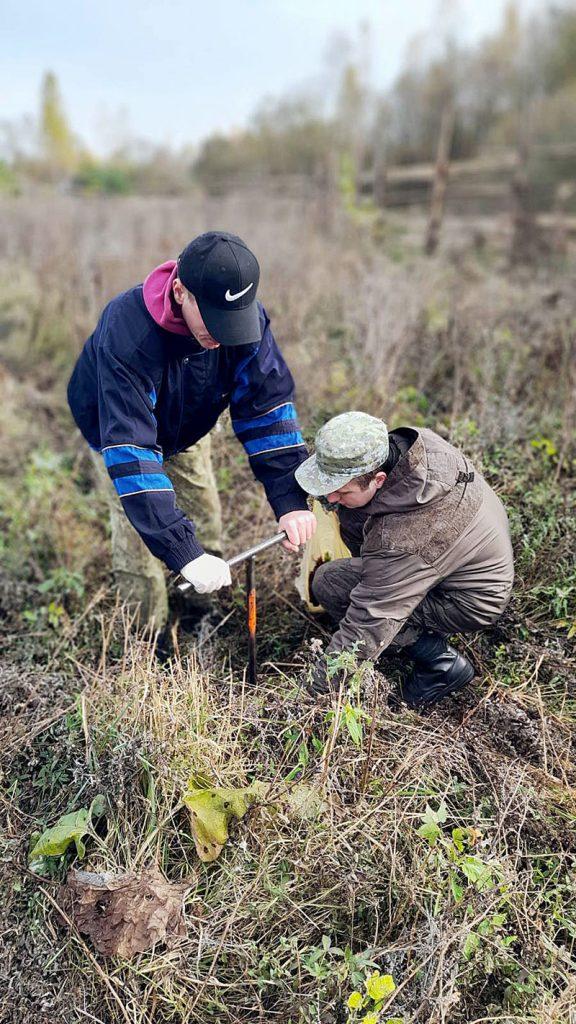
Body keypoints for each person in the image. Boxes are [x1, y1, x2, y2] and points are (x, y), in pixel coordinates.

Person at [67, 231, 316, 629]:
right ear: (181, 291)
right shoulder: (128, 335)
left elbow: (266, 411)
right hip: (114, 424)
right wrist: (181, 550)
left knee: (204, 508)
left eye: (232, 323)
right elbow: (132, 451)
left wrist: (290, 499)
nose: (222, 336)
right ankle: (147, 638)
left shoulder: (244, 322)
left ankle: (203, 605)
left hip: (189, 422)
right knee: (138, 535)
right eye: (215, 320)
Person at [295, 412, 514, 707]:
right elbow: (351, 503)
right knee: (352, 513)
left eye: (340, 490)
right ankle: (394, 592)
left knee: (331, 583)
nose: (330, 498)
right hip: (464, 558)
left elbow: (369, 619)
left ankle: (441, 664)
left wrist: (309, 697)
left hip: (468, 599)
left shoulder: (402, 538)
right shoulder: (412, 447)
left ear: (379, 479)